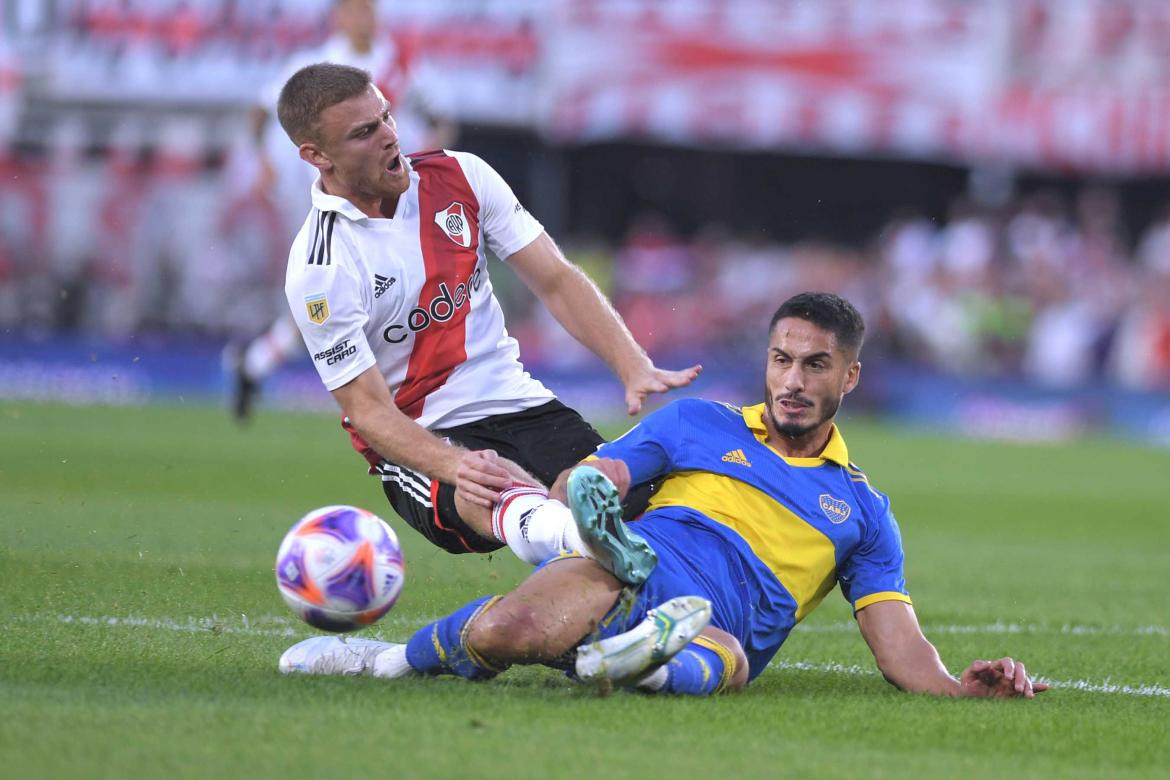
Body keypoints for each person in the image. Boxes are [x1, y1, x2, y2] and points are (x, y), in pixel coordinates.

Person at [279, 292, 1048, 699]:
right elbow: (591, 479)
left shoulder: (864, 512)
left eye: (816, 366)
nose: (792, 381)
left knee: (725, 660)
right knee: (513, 628)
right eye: (782, 360)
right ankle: (380, 665)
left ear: (849, 377)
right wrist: (588, 494)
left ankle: (633, 660)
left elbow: (898, 646)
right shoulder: (697, 424)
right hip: (638, 561)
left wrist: (958, 688)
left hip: (724, 622)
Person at [274, 62, 701, 575]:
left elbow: (556, 279)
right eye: (365, 132)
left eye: (386, 116)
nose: (390, 136)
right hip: (424, 434)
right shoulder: (320, 268)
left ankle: (620, 602)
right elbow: (367, 411)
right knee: (492, 487)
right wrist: (454, 462)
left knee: (621, 491)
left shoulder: (461, 176)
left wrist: (631, 362)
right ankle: (572, 535)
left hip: (518, 401)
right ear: (316, 156)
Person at [231, 0, 454, 420]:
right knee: (337, 293)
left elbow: (442, 117)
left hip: (390, 193)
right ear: (338, 15)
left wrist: (427, 160)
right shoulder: (317, 65)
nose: (364, 17)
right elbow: (261, 111)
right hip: (334, 196)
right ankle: (379, 392)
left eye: (368, 8)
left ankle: (257, 362)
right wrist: (261, 161)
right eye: (354, 9)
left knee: (366, 293)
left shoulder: (401, 61)